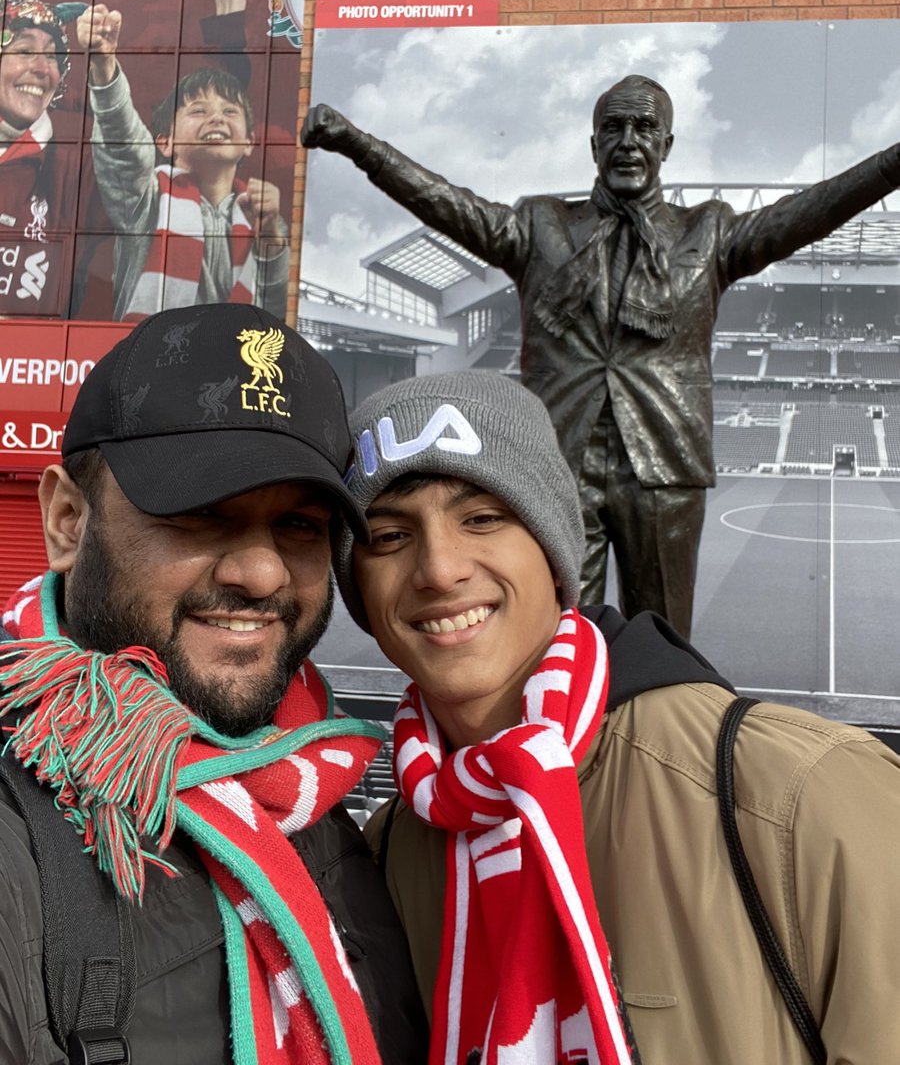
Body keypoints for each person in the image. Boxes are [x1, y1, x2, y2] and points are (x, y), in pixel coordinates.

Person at [333, 368, 900, 1065]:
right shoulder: (388, 852)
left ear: (554, 550)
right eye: (389, 536)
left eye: (483, 518)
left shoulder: (805, 797)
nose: (440, 568)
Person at [303, 83, 900, 637]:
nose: (629, 142)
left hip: (664, 462)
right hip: (557, 463)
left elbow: (812, 211)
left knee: (661, 636)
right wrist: (358, 144)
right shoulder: (540, 226)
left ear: (666, 144)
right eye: (614, 128)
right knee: (552, 636)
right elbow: (445, 203)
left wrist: (889, 165)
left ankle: (654, 745)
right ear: (594, 144)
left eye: (644, 128)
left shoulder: (710, 231)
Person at [0, 303, 427, 1063]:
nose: (261, 573)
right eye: (199, 512)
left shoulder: (319, 801)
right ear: (68, 520)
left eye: (299, 525)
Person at [77, 0, 288, 322]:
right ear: (166, 142)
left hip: (231, 368)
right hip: (151, 368)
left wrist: (272, 236)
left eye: (229, 111)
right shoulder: (146, 198)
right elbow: (124, 143)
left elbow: (276, 312)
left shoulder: (262, 214)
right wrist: (104, 66)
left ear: (249, 142)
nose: (216, 119)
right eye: (198, 110)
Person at [0, 0, 85, 313]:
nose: (41, 68)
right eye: (24, 51)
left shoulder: (73, 163)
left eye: (52, 57)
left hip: (30, 358)